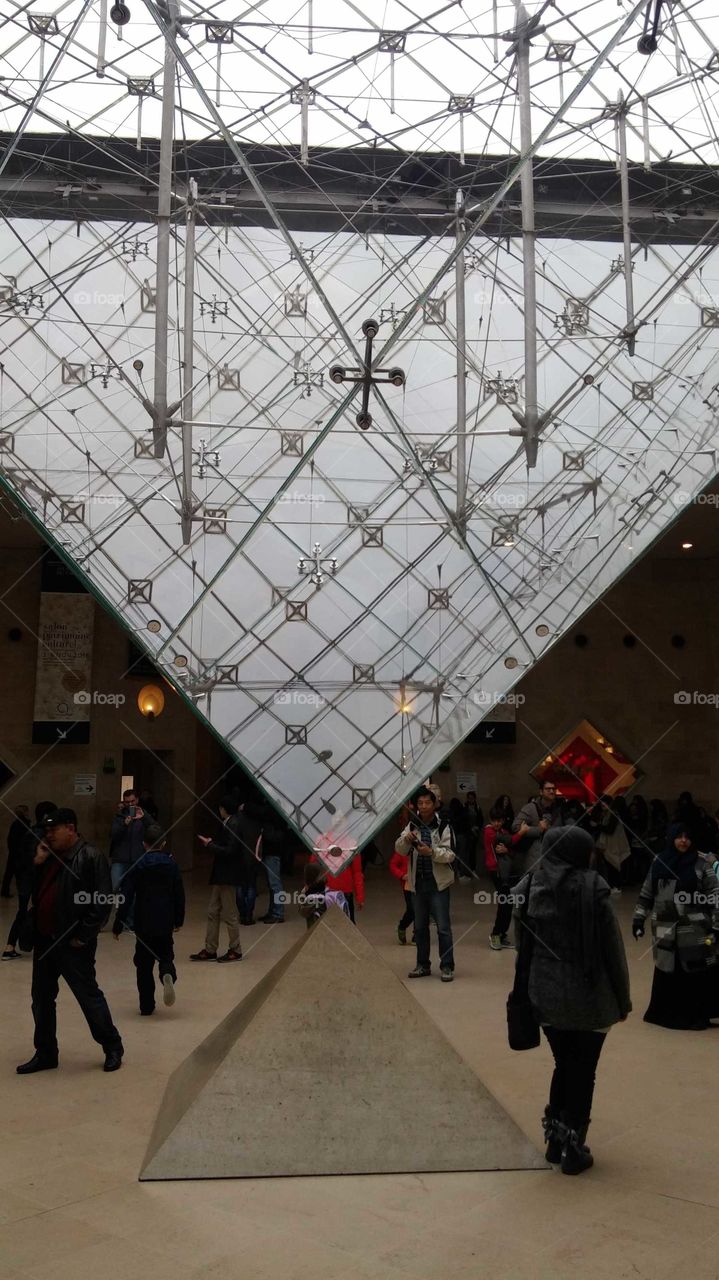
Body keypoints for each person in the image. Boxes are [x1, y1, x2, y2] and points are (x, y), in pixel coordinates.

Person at [514, 825, 631, 1175]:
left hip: (546, 996)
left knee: (564, 1064)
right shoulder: (594, 888)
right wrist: (622, 1000)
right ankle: (573, 1150)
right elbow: (613, 950)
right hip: (589, 996)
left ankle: (555, 1141)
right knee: (584, 1070)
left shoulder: (528, 888)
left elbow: (523, 948)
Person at [16, 808, 124, 1074]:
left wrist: (82, 936)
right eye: (47, 831)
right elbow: (30, 894)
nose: (48, 835)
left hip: (72, 944)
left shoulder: (90, 856)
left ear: (71, 828)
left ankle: (112, 1046)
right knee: (41, 999)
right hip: (45, 942)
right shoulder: (48, 856)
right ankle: (45, 1053)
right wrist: (37, 864)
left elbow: (102, 901)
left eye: (53, 830)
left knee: (88, 997)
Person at [632, 824, 719, 1030]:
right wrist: (638, 919)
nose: (683, 841)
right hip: (664, 929)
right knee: (667, 969)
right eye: (679, 837)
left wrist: (716, 924)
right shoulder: (659, 861)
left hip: (695, 931)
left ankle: (696, 1015)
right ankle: (666, 1014)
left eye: (687, 837)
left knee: (694, 972)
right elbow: (647, 892)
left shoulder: (701, 863)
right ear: (671, 838)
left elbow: (715, 895)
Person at [113, 823, 185, 1015]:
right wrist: (179, 920)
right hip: (165, 919)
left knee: (143, 965)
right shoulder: (172, 865)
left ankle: (146, 1006)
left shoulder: (138, 865)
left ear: (144, 844)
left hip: (143, 920)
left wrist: (118, 923)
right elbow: (179, 893)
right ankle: (167, 973)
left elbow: (126, 896)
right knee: (165, 954)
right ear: (163, 844)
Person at [395, 786, 456, 982]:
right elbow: (399, 850)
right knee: (420, 928)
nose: (423, 806)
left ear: (434, 804)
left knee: (443, 927)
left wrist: (431, 853)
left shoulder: (444, 825)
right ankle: (422, 965)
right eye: (420, 803)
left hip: (438, 885)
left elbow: (451, 855)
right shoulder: (412, 825)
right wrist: (406, 839)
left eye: (427, 802)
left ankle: (447, 966)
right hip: (418, 885)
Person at [190, 796, 244, 962]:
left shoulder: (233, 824)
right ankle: (210, 948)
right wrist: (213, 843)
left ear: (223, 809)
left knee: (230, 914)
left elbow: (229, 851)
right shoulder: (229, 822)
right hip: (222, 875)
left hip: (227, 875)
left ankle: (236, 949)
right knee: (213, 911)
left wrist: (210, 845)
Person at [3, 801, 56, 961]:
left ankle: (10, 946)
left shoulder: (30, 831)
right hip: (35, 880)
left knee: (23, 911)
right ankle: (37, 944)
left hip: (25, 879)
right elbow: (37, 861)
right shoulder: (44, 834)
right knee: (38, 911)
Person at [484, 805, 529, 950]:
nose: (497, 823)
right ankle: (495, 934)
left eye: (500, 820)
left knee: (508, 903)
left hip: (506, 872)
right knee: (504, 903)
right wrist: (521, 832)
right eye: (494, 820)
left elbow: (510, 849)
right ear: (490, 820)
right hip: (496, 871)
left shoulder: (502, 831)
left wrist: (507, 850)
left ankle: (501, 935)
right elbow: (509, 840)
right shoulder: (489, 832)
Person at [511, 779, 565, 878]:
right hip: (534, 859)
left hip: (553, 858)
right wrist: (538, 830)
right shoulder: (530, 808)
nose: (552, 791)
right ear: (541, 792)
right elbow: (515, 827)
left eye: (553, 789)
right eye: (548, 789)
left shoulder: (558, 809)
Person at [109, 790, 152, 894]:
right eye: (127, 802)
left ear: (137, 800)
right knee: (114, 886)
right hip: (120, 859)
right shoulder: (119, 817)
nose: (130, 804)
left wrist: (144, 817)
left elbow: (155, 829)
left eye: (132, 801)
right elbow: (113, 835)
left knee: (137, 889)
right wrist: (124, 824)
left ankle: (132, 909)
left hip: (138, 858)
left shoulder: (144, 815)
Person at [308, 849, 364, 922]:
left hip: (333, 893)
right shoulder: (351, 845)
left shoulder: (321, 843)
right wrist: (360, 897)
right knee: (346, 926)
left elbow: (312, 869)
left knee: (328, 926)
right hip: (335, 893)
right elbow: (357, 873)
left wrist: (360, 897)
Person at [595, 795, 630, 894]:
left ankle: (617, 886)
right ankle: (614, 885)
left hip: (614, 844)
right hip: (610, 844)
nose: (602, 804)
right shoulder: (607, 814)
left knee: (614, 865)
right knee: (611, 865)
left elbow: (610, 830)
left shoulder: (612, 815)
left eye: (605, 803)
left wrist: (597, 826)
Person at [1, 804, 31, 898]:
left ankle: (5, 891)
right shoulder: (23, 824)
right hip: (19, 853)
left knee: (10, 873)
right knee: (19, 874)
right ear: (25, 812)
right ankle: (21, 892)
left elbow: (10, 839)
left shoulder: (17, 823)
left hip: (14, 852)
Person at [389, 845, 414, 945]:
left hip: (422, 883)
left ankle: (417, 936)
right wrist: (402, 875)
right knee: (412, 909)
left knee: (421, 909)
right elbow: (393, 865)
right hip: (408, 885)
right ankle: (402, 926)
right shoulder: (403, 849)